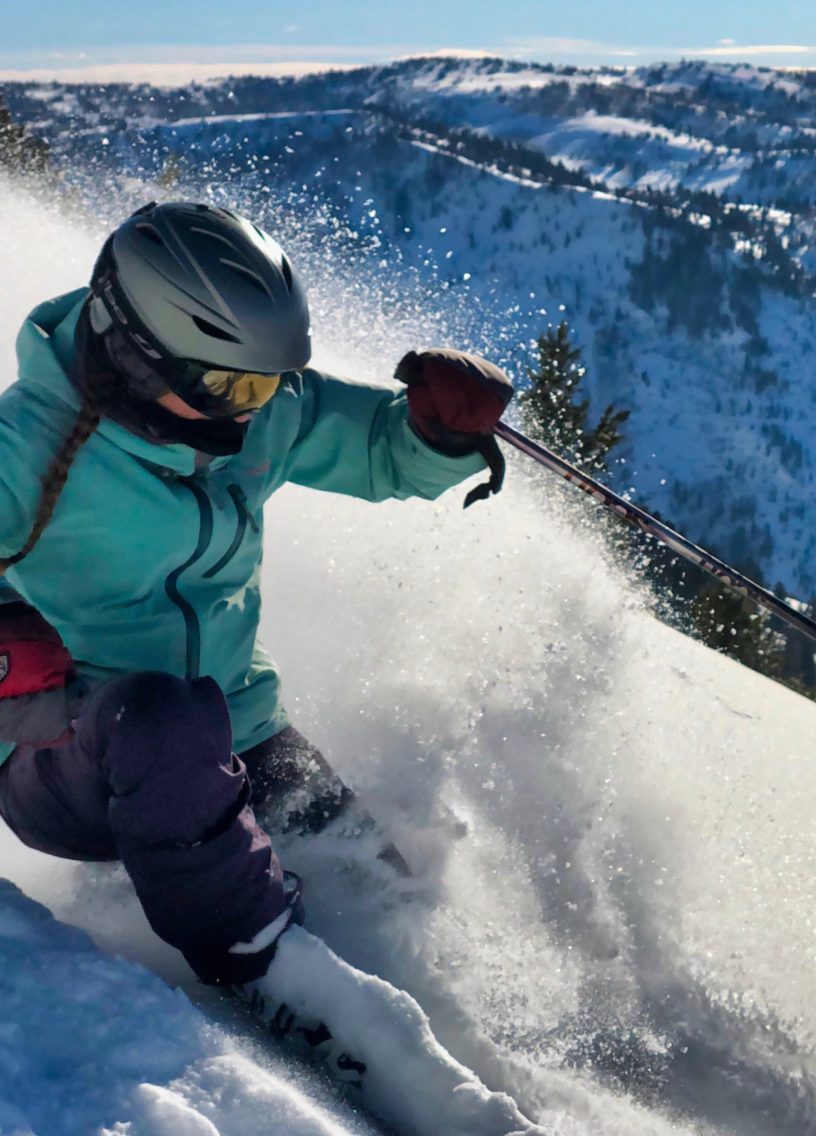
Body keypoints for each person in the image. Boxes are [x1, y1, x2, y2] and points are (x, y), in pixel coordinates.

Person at [0, 202, 532, 1125]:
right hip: (64, 749)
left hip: (234, 733)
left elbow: (372, 448)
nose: (254, 414)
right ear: (133, 351)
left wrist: (436, 432)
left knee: (381, 893)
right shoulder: (22, 448)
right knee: (159, 716)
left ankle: (418, 1030)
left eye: (265, 387)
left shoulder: (256, 410)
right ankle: (261, 962)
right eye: (229, 388)